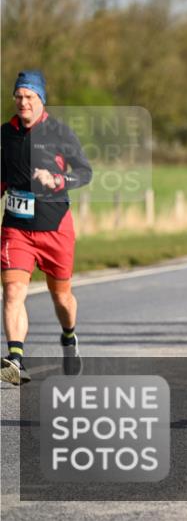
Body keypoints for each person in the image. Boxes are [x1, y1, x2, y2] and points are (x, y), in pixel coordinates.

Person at [1, 71, 92, 384]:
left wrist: (57, 180)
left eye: (29, 96)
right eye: (18, 96)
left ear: (41, 99)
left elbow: (85, 172)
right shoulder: (5, 134)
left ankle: (69, 336)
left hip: (55, 227)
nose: (23, 102)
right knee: (13, 291)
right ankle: (16, 358)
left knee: (62, 298)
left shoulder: (60, 133)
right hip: (16, 228)